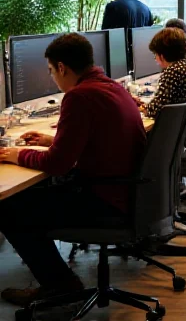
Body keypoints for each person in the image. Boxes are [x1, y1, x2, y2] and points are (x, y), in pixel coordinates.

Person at [0, 33, 147, 307]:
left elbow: (57, 165)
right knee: (31, 197)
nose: (53, 78)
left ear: (62, 68)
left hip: (105, 200)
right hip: (127, 193)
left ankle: (59, 285)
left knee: (9, 207)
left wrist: (17, 154)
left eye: (51, 71)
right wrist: (53, 140)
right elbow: (98, 138)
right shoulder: (111, 87)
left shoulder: (80, 96)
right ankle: (57, 280)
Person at [136, 27, 186, 119]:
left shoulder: (173, 71)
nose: (155, 58)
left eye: (155, 54)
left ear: (162, 55)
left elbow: (155, 110)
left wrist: (139, 108)